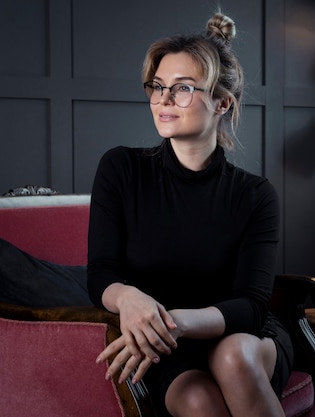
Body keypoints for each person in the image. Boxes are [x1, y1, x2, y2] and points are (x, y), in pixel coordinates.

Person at [87, 11, 292, 417]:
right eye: (157, 86)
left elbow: (252, 306)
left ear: (222, 102)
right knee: (198, 401)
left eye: (181, 88)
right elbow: (101, 274)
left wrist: (177, 320)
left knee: (233, 357)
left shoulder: (255, 195)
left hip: (239, 335)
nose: (163, 99)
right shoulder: (121, 169)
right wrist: (129, 298)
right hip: (165, 342)